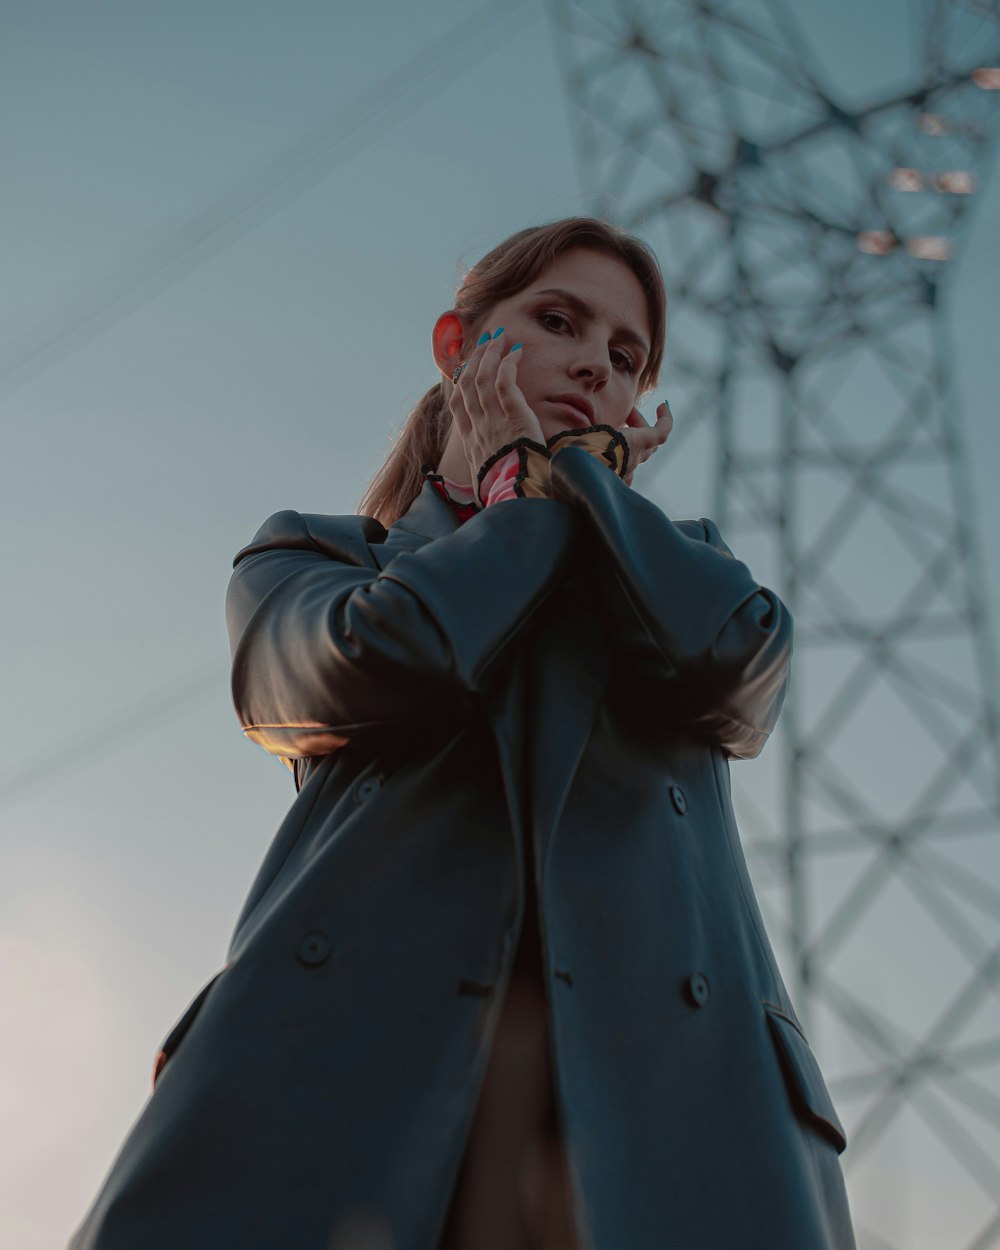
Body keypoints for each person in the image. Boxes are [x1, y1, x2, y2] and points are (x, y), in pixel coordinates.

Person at [69, 218, 856, 1250]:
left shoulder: (674, 572)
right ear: (459, 346)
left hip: (671, 1105)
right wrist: (512, 500)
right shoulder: (309, 557)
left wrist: (588, 497)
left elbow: (735, 666)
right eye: (558, 319)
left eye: (626, 358)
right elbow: (391, 655)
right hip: (344, 1085)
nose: (594, 362)